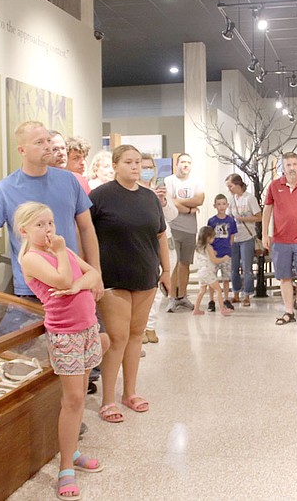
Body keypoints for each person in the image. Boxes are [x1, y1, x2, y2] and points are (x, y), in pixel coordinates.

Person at [15, 202, 104, 500]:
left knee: (80, 396)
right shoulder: (32, 258)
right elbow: (62, 280)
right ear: (24, 229)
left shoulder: (62, 251)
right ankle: (66, 466)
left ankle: (73, 451)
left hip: (87, 327)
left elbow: (93, 276)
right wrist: (65, 262)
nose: (48, 229)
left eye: (50, 223)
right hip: (65, 334)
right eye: (40, 224)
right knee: (73, 399)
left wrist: (78, 284)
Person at [0, 121, 101, 301]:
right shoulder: (4, 189)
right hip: (33, 290)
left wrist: (95, 273)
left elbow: (87, 228)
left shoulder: (69, 181)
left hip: (74, 284)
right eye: (39, 142)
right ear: (22, 150)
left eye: (48, 140)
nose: (47, 147)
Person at [90, 145, 170, 423]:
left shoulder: (149, 198)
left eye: (139, 163)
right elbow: (86, 235)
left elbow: (160, 235)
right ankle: (108, 399)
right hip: (113, 277)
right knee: (117, 338)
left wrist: (166, 271)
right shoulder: (100, 197)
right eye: (129, 162)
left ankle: (130, 392)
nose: (136, 167)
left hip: (145, 274)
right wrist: (92, 273)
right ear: (115, 165)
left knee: (136, 336)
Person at [262, 151, 297, 325]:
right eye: (288, 165)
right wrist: (265, 233)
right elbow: (267, 210)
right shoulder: (274, 186)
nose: (292, 168)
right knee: (284, 276)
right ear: (283, 167)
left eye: (294, 164)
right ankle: (289, 311)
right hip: (280, 240)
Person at [139, 153, 178, 344]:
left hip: (165, 242)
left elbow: (171, 215)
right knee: (147, 288)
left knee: (160, 288)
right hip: (145, 245)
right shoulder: (134, 191)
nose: (146, 171)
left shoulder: (159, 190)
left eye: (150, 168)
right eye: (142, 166)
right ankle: (141, 328)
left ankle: (151, 327)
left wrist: (162, 202)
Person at [165, 153, 205, 312]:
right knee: (174, 263)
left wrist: (178, 202)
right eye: (182, 162)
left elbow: (200, 200)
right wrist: (189, 209)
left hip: (190, 229)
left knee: (185, 263)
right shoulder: (170, 180)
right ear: (177, 164)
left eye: (188, 162)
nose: (185, 165)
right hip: (173, 227)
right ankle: (172, 297)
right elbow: (169, 201)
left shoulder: (196, 181)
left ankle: (182, 296)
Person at [225, 174, 262, 307]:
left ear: (237, 185)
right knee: (234, 268)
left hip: (247, 236)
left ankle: (247, 295)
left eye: (230, 186)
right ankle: (235, 294)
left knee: (247, 268)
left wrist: (243, 219)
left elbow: (259, 217)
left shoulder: (249, 198)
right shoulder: (232, 199)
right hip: (234, 237)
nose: (229, 189)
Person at [192, 226, 233, 316]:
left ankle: (196, 309)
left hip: (201, 272)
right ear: (208, 238)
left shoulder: (198, 247)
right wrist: (224, 258)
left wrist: (213, 253)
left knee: (202, 290)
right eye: (213, 237)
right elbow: (215, 260)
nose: (214, 239)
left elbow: (206, 257)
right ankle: (222, 309)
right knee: (218, 289)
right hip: (208, 271)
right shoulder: (208, 247)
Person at [206, 194, 237, 311]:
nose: (221, 206)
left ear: (227, 205)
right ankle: (211, 300)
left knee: (226, 278)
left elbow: (232, 235)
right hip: (214, 254)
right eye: (219, 204)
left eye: (224, 204)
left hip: (226, 254)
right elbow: (207, 236)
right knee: (212, 279)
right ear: (215, 206)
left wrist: (229, 246)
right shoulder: (212, 221)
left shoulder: (230, 220)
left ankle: (226, 299)